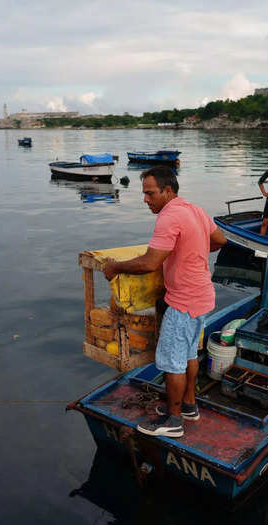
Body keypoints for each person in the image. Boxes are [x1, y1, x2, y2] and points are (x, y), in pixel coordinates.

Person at [102, 166, 227, 438]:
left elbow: (149, 262)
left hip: (183, 302)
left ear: (168, 191)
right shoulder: (195, 210)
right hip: (202, 295)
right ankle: (189, 406)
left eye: (150, 193)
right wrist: (191, 252)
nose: (145, 199)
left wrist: (115, 267)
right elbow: (219, 240)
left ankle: (173, 421)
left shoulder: (169, 217)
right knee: (190, 353)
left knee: (172, 362)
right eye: (144, 194)